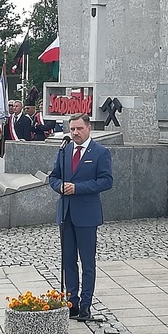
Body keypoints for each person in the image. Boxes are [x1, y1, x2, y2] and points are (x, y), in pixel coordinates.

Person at [49, 113, 113, 321]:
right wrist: (59, 186)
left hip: (86, 215)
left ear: (88, 129)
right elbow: (54, 176)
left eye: (79, 129)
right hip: (66, 213)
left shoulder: (100, 152)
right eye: (72, 129)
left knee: (87, 262)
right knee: (68, 261)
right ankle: (71, 303)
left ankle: (86, 304)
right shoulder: (65, 150)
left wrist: (77, 188)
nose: (75, 133)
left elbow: (106, 181)